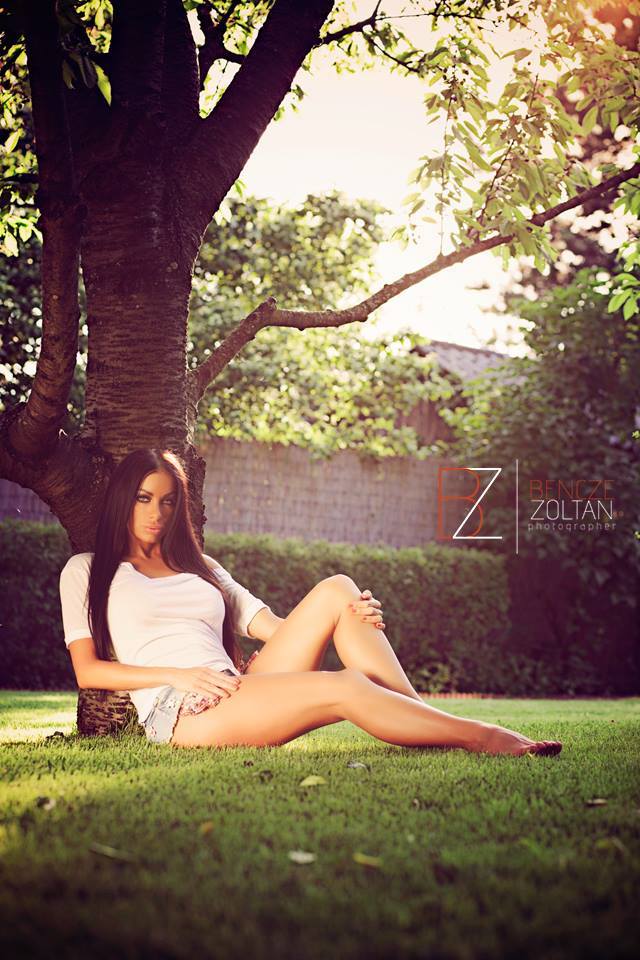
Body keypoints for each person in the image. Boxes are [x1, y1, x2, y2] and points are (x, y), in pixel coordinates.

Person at [59, 448, 562, 756]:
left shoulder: (200, 567)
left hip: (240, 685)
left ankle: (423, 722)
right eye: (144, 498)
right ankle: (479, 736)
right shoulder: (86, 570)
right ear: (124, 499)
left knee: (340, 590)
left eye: (168, 501)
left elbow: (272, 626)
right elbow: (89, 671)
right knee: (345, 685)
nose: (157, 512)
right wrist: (178, 675)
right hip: (183, 709)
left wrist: (348, 618)